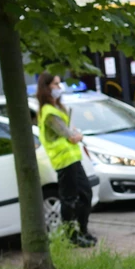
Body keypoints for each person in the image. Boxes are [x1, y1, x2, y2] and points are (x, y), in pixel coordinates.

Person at [35, 72, 96, 247]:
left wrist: (75, 134)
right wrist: (77, 135)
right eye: (55, 84)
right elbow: (69, 135)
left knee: (85, 194)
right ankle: (72, 236)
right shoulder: (48, 112)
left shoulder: (57, 108)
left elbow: (70, 132)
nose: (59, 88)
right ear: (46, 88)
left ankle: (83, 230)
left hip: (73, 159)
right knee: (69, 199)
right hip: (63, 161)